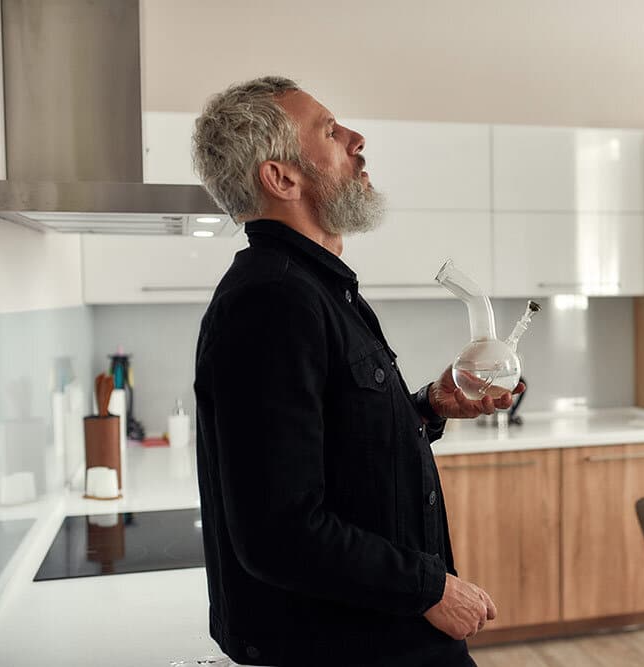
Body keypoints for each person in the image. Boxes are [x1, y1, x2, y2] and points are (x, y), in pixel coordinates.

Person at [191, 76, 522, 667]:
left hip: (382, 633)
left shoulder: (318, 289)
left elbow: (340, 447)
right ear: (282, 177)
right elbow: (279, 531)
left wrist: (427, 405)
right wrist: (430, 587)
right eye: (329, 130)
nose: (356, 138)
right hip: (353, 644)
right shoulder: (272, 301)